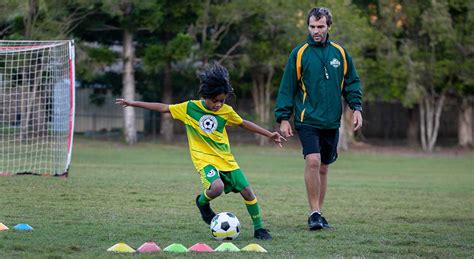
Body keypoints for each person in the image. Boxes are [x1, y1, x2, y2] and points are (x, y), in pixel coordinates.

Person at [116, 65, 285, 240]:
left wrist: (269, 134)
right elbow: (164, 108)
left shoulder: (226, 111)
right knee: (217, 187)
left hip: (226, 159)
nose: (219, 104)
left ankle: (259, 229)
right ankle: (202, 202)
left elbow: (243, 123)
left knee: (248, 192)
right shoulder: (189, 108)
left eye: (222, 100)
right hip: (204, 159)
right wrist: (133, 103)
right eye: (215, 100)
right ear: (205, 96)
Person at [274, 7, 363, 231]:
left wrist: (357, 108)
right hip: (307, 119)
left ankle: (319, 213)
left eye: (320, 26)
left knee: (324, 168)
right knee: (312, 161)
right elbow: (287, 87)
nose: (316, 31)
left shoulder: (340, 54)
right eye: (312, 26)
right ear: (308, 26)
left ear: (328, 27)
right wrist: (284, 118)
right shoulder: (299, 53)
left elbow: (352, 83)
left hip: (332, 121)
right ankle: (313, 212)